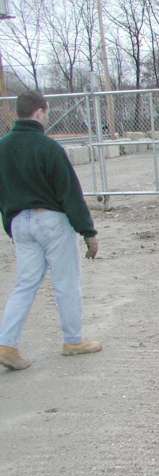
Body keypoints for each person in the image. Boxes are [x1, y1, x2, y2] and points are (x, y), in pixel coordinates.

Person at [0, 90, 102, 371]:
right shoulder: (48, 148)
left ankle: (6, 343)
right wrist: (88, 232)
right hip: (51, 222)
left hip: (20, 222)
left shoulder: (2, 147)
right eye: (47, 112)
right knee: (66, 282)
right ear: (40, 112)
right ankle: (72, 340)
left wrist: (9, 222)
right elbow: (69, 192)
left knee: (25, 284)